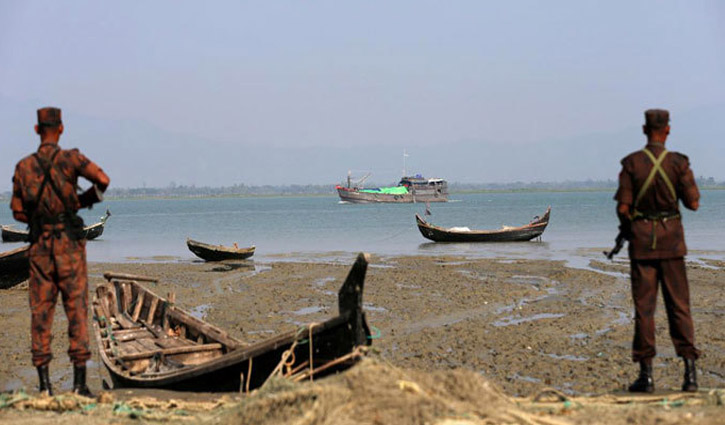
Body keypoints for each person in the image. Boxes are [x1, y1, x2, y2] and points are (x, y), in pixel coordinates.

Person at [10, 107, 110, 396]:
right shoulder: (71, 159)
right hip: (70, 246)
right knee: (76, 309)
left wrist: (38, 219)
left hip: (40, 246)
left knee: (41, 313)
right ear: (61, 129)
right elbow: (102, 179)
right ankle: (79, 385)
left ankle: (44, 387)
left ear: (36, 130)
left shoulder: (23, 167)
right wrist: (80, 202)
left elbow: (17, 211)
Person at [614, 109, 700, 393]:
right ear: (668, 130)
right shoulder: (678, 163)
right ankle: (690, 375)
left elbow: (623, 208)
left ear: (644, 129)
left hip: (641, 247)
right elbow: (693, 203)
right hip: (673, 244)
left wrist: (632, 225)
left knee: (645, 310)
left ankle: (646, 376)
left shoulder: (632, 164)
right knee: (680, 307)